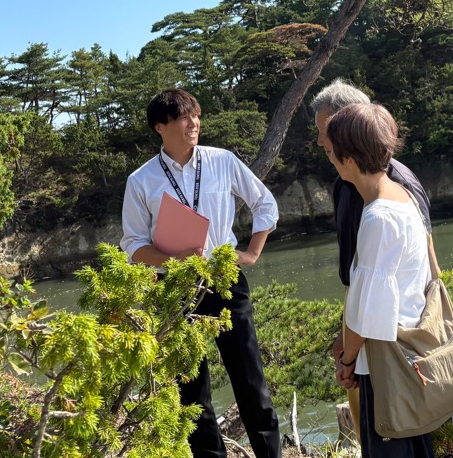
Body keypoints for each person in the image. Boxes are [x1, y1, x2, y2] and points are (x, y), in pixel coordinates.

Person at [120, 88, 281, 458]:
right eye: (182, 117)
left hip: (224, 280)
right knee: (192, 390)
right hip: (174, 287)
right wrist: (174, 263)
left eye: (196, 115)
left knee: (250, 380)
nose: (193, 123)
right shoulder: (141, 180)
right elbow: (132, 244)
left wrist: (253, 252)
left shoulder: (221, 160)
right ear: (160, 126)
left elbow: (264, 203)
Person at [310, 79, 434, 433]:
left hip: (396, 346)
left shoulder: (393, 191)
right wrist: (347, 339)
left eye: (326, 132)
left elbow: (423, 270)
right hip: (367, 333)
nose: (321, 141)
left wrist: (350, 353)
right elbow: (358, 277)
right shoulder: (349, 185)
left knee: (392, 433)